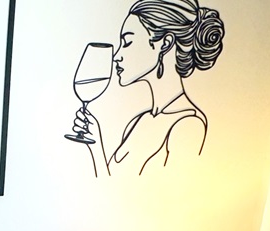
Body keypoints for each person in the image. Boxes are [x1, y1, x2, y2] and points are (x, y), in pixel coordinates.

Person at [72, 0, 224, 176]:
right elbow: (114, 186)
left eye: (127, 42)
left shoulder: (189, 124)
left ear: (165, 43)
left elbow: (173, 191)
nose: (116, 56)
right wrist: (95, 145)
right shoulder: (140, 120)